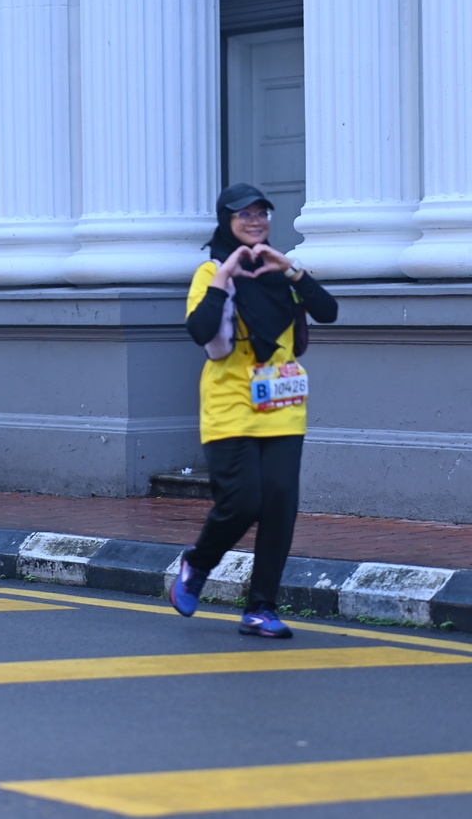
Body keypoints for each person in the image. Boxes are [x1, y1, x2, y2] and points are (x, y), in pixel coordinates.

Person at [169, 182, 338, 638]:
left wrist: (292, 269)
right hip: (230, 405)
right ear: (226, 222)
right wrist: (224, 276)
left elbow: (328, 310)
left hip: (282, 403)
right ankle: (197, 564)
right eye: (243, 214)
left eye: (261, 213)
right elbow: (201, 330)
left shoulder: (281, 274)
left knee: (280, 504)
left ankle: (261, 606)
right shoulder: (210, 272)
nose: (254, 221)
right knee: (243, 502)